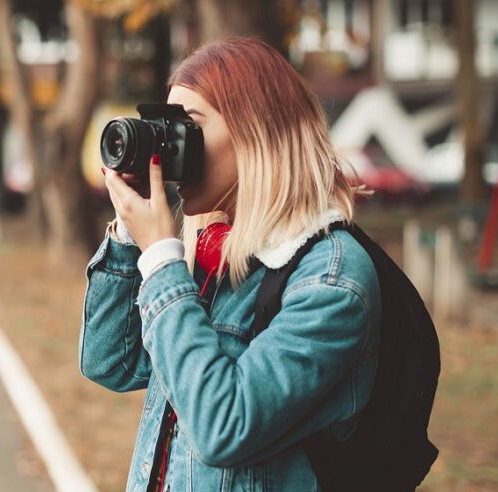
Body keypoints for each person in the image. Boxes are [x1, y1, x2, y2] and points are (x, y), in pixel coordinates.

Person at [80, 37, 380, 491]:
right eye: (165, 127)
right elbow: (110, 361)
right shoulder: (213, 255)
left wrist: (162, 260)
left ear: (258, 134)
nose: (169, 151)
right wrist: (129, 231)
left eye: (188, 127)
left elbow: (223, 426)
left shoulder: (331, 279)